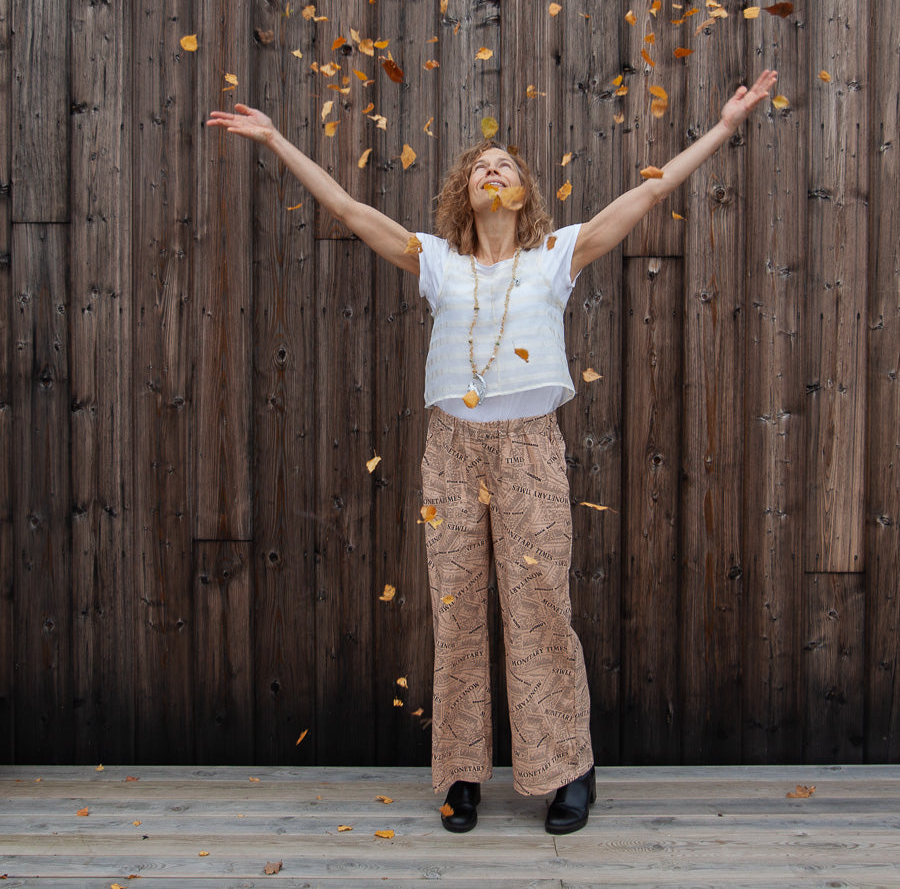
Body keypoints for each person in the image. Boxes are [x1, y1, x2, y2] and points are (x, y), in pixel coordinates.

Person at [208, 68, 778, 834]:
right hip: (452, 450)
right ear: (463, 193)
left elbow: (646, 195)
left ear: (523, 189)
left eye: (504, 163)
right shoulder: (436, 261)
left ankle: (568, 768)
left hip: (530, 449)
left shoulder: (557, 256)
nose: (491, 168)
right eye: (480, 165)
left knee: (542, 609)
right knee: (457, 614)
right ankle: (462, 773)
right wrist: (276, 137)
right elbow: (346, 207)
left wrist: (723, 128)